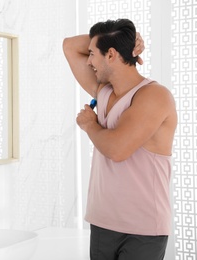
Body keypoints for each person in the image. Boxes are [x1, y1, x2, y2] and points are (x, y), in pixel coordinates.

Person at [63, 19, 177, 260]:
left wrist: (89, 125)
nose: (89, 60)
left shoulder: (155, 96)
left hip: (143, 229)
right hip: (103, 222)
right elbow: (70, 46)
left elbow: (117, 150)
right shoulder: (103, 91)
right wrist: (126, 41)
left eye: (93, 54)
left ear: (111, 55)